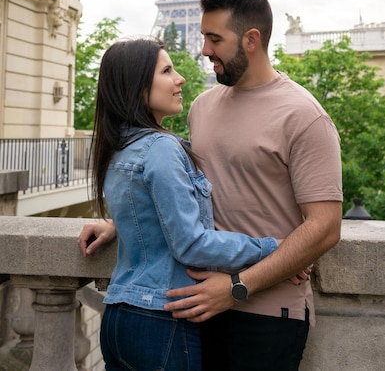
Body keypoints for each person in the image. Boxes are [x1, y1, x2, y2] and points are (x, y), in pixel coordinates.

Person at [80, 0, 343, 371]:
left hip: (265, 312)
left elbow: (325, 227)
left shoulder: (304, 116)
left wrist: (237, 288)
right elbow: (183, 194)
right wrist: (123, 221)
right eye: (204, 36)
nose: (204, 50)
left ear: (251, 40)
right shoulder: (201, 108)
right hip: (194, 305)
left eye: (214, 39)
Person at [80, 35, 285, 371]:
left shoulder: (119, 149)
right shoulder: (160, 148)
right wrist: (271, 248)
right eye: (167, 71)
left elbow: (145, 209)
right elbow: (191, 244)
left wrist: (117, 224)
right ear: (137, 86)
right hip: (160, 320)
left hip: (118, 318)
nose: (180, 79)